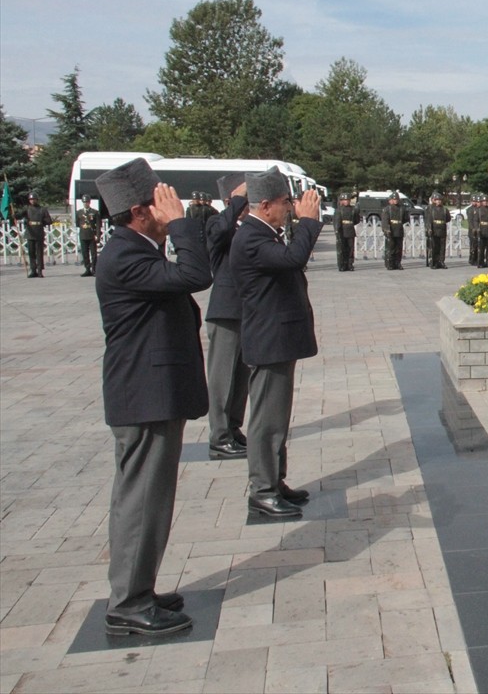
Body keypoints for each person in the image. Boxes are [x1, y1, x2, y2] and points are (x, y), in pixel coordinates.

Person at [94, 158, 210, 636]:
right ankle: (128, 602)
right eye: (162, 203)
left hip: (151, 390)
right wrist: (181, 224)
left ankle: (139, 586)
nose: (171, 207)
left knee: (149, 498)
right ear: (142, 212)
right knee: (143, 500)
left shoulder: (136, 247)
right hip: (144, 393)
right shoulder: (126, 254)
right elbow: (196, 275)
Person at [230, 168, 323, 518]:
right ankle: (262, 490)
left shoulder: (264, 231)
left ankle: (275, 480)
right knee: (267, 421)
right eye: (286, 203)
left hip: (277, 339)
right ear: (265, 205)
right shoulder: (252, 236)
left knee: (277, 418)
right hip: (269, 340)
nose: (290, 208)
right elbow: (293, 259)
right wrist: (310, 222)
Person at [205, 173, 250, 462]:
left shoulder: (246, 227)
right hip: (225, 311)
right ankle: (219, 436)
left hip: (246, 311)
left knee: (241, 376)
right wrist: (236, 200)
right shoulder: (215, 223)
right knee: (222, 377)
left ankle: (233, 428)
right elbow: (219, 233)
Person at [23, 192, 53, 278]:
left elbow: (49, 221)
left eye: (34, 199)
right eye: (31, 199)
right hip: (30, 233)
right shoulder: (27, 209)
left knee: (39, 253)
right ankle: (33, 270)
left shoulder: (42, 209)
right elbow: (20, 215)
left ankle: (40, 270)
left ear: (37, 199)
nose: (32, 201)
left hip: (39, 233)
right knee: (31, 253)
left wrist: (41, 222)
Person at [381, 192, 410, 270]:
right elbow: (385, 221)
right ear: (390, 200)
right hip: (391, 230)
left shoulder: (402, 208)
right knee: (390, 248)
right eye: (393, 199)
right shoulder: (387, 209)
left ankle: (398, 263)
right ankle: (389, 263)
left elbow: (405, 219)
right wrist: (386, 229)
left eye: (396, 199)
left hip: (399, 230)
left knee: (398, 249)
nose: (395, 201)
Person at [76, 194, 101, 276]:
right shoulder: (79, 212)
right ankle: (87, 269)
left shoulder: (94, 212)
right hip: (83, 235)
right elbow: (77, 223)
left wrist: (98, 235)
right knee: (84, 253)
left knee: (93, 254)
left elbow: (98, 225)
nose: (85, 203)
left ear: (89, 202)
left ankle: (94, 269)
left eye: (87, 202)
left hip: (91, 235)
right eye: (84, 202)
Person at [333, 193, 359, 271]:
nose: (346, 201)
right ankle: (342, 264)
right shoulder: (338, 210)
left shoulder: (353, 209)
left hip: (350, 230)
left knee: (350, 249)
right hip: (342, 231)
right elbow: (336, 222)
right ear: (341, 201)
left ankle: (350, 264)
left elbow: (356, 220)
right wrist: (337, 231)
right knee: (342, 248)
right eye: (344, 200)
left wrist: (350, 224)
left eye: (347, 200)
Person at [426, 192, 450, 269]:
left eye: (440, 200)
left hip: (442, 229)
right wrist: (429, 229)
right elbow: (428, 220)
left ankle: (441, 261)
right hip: (434, 230)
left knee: (442, 247)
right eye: (436, 200)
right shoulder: (430, 209)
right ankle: (434, 262)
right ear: (434, 200)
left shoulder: (444, 209)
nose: (438, 201)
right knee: (434, 247)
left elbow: (448, 218)